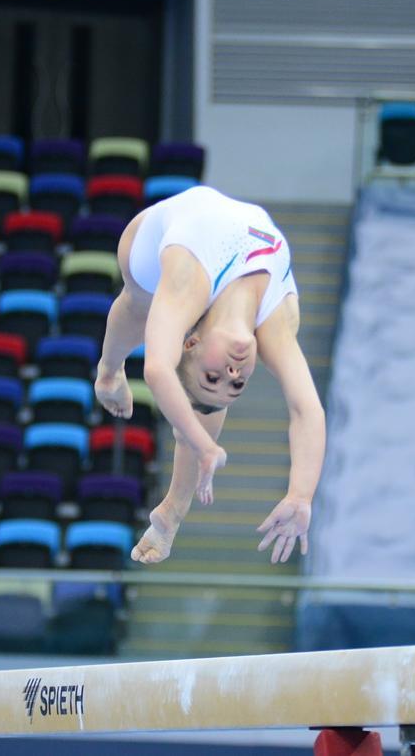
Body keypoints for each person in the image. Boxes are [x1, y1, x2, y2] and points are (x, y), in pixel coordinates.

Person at [94, 185, 326, 565]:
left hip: (154, 240)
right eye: (238, 383)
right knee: (204, 402)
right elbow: (308, 411)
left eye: (215, 375)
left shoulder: (186, 280)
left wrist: (203, 445)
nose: (233, 373)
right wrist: (301, 495)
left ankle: (108, 374)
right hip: (201, 235)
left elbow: (156, 369)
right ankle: (170, 511)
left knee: (140, 298)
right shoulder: (277, 324)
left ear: (190, 343)